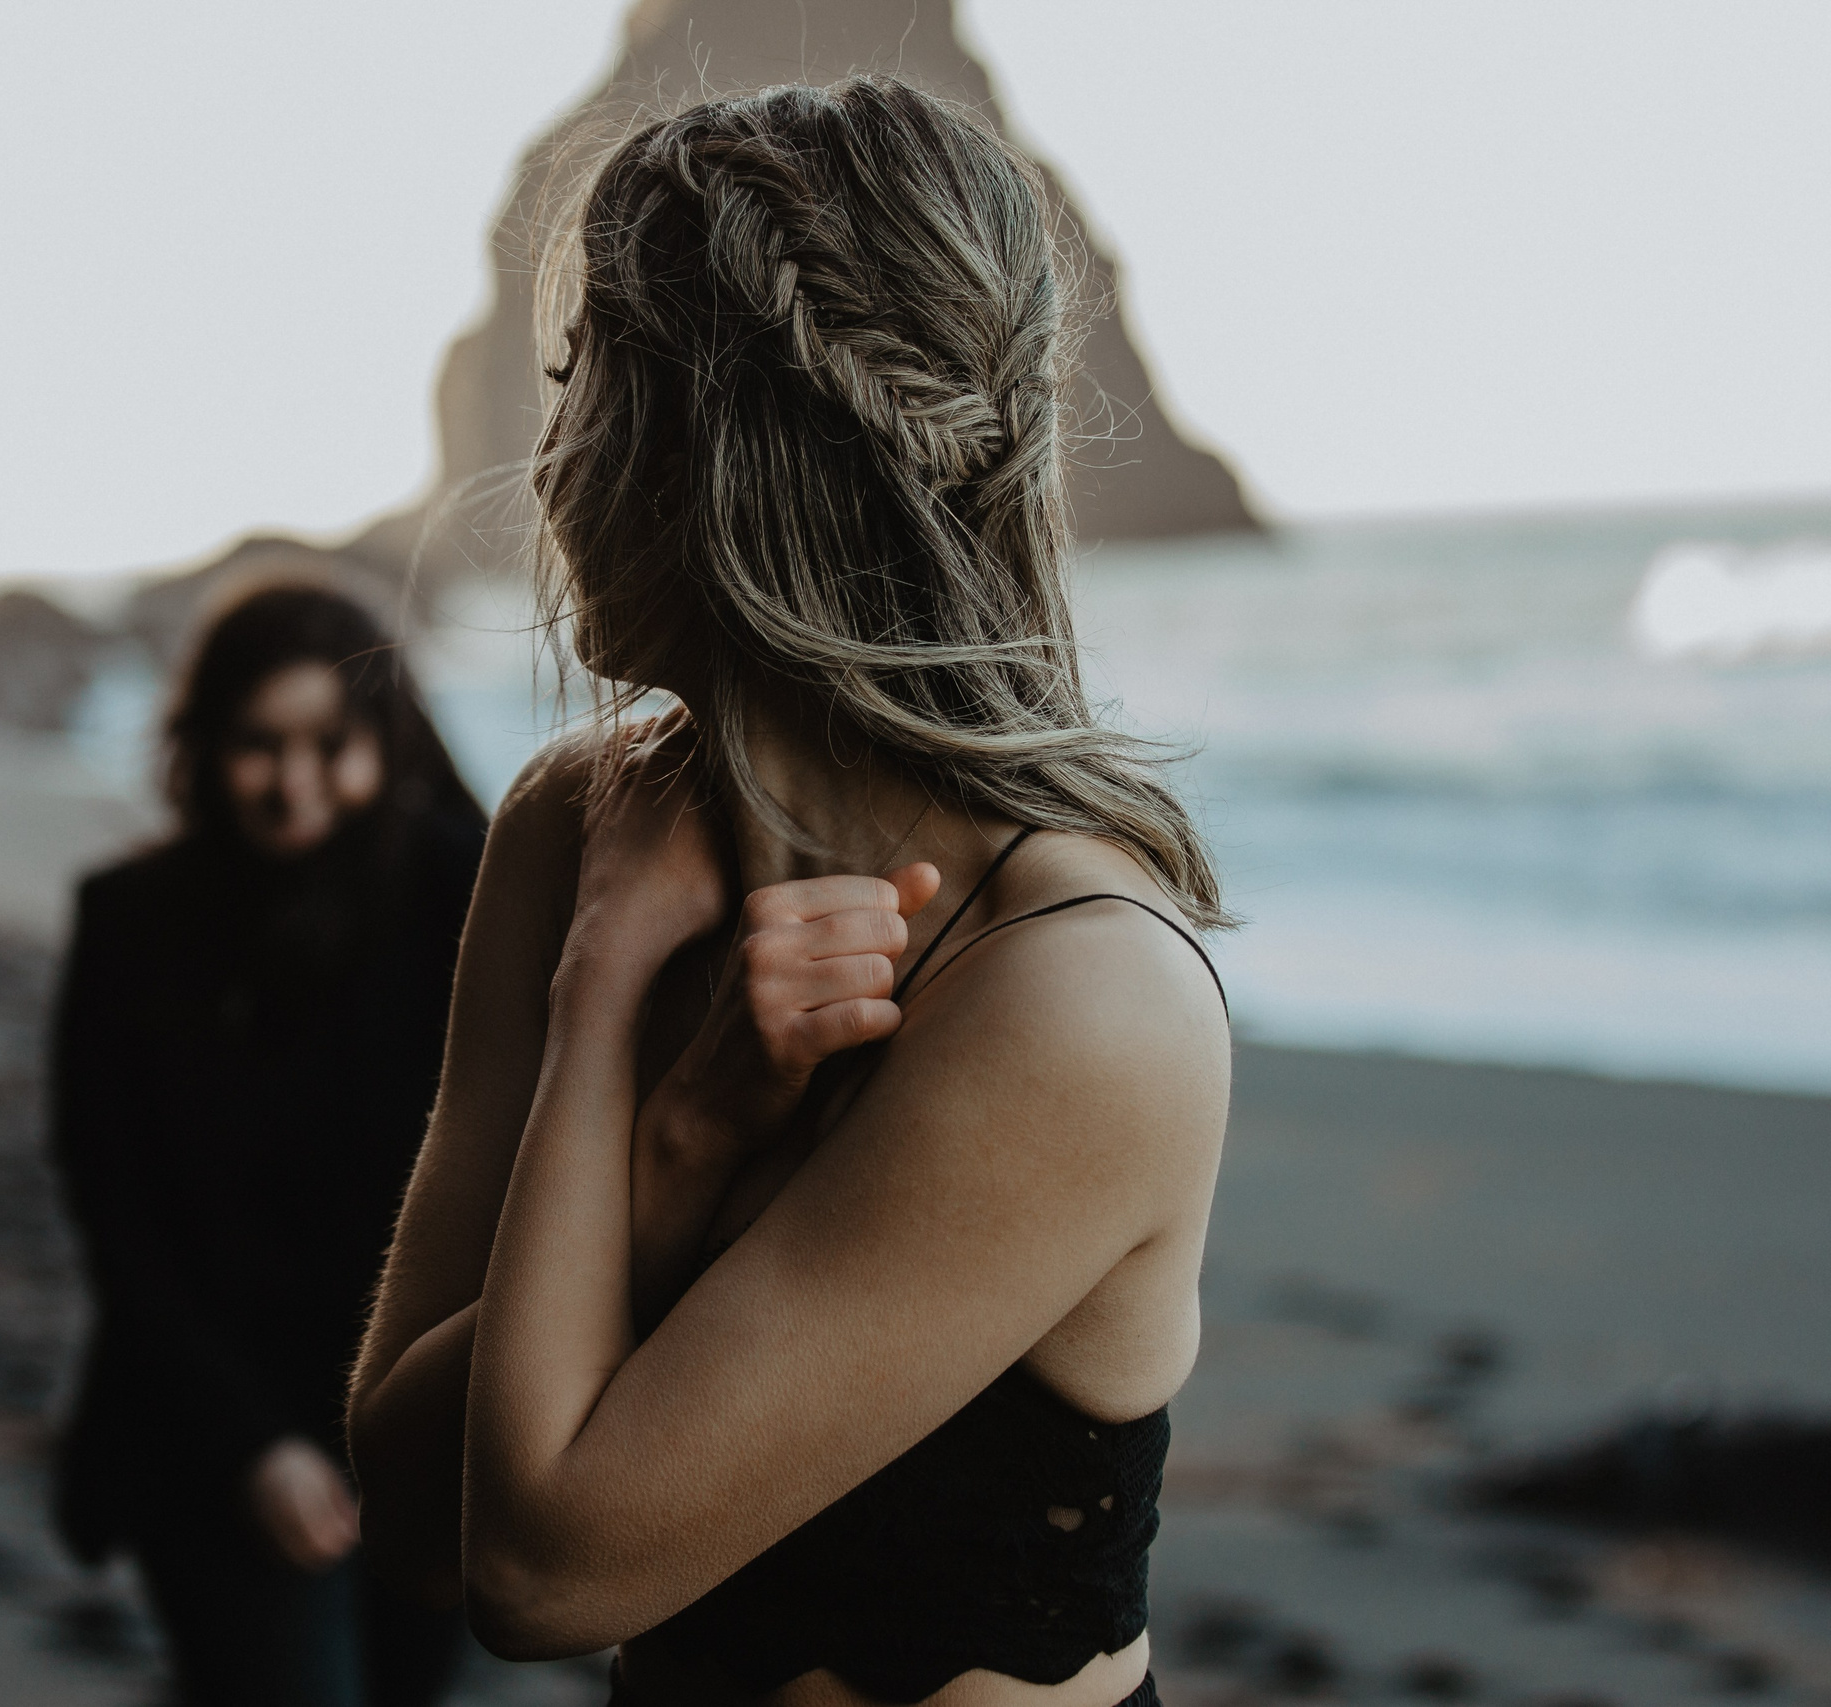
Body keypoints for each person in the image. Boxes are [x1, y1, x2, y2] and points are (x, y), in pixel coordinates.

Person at [347, 78, 1232, 1707]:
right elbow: (405, 1511)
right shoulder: (576, 826)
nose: (544, 466)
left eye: (580, 384)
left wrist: (604, 1001)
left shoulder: (1078, 995)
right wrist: (669, 1114)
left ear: (717, 447)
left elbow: (543, 1572)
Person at [49, 583, 486, 1707]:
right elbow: (121, 1228)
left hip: (428, 1436)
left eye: (330, 745)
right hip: (206, 1427)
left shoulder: (472, 898)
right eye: (258, 745)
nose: (294, 784)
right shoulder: (128, 925)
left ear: (386, 743)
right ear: (202, 746)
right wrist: (253, 1449)